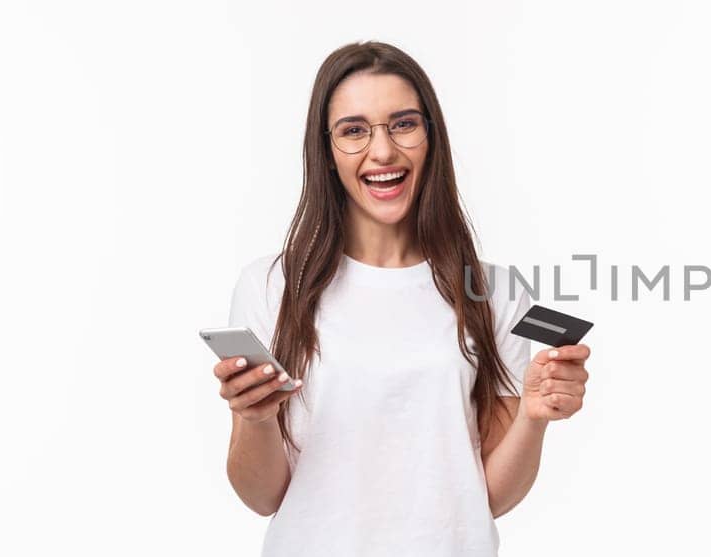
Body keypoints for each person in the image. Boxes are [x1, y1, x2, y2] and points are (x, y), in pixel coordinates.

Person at [210, 41, 591, 556]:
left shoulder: (495, 292)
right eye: (354, 130)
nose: (383, 150)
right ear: (325, 152)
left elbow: (490, 498)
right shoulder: (272, 286)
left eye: (404, 123)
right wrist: (255, 421)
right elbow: (260, 496)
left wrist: (533, 417)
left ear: (431, 138)